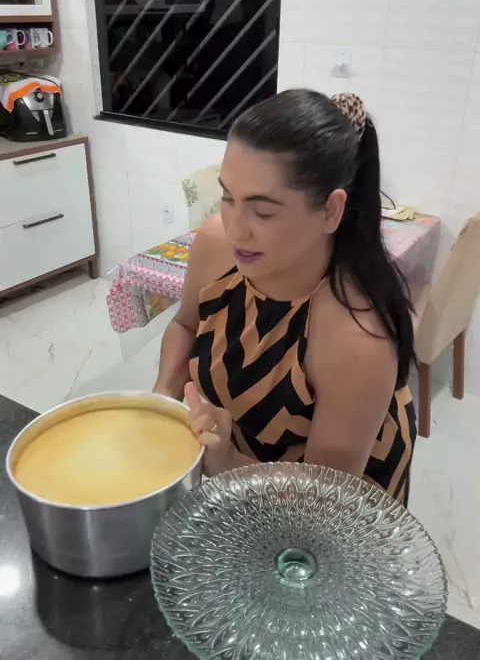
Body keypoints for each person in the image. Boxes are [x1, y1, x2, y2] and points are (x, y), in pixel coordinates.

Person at [154, 90, 417, 504]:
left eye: (263, 212)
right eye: (228, 198)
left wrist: (225, 460)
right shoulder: (217, 244)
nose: (237, 229)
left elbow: (323, 500)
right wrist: (163, 396)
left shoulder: (357, 338)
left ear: (330, 211)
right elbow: (186, 324)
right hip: (242, 474)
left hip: (330, 505)